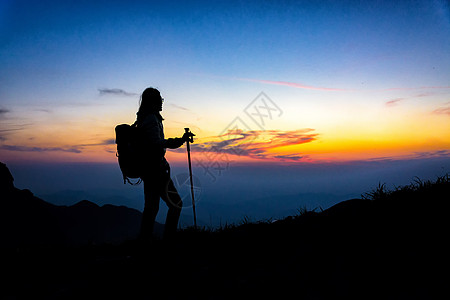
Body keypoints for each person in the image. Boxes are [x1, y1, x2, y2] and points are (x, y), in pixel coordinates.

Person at [134, 87, 192, 241]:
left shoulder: (144, 118)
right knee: (176, 204)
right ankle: (168, 241)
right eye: (159, 99)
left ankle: (145, 241)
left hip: (148, 169)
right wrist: (180, 141)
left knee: (151, 208)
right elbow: (156, 143)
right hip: (155, 170)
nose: (161, 102)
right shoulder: (152, 119)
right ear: (153, 101)